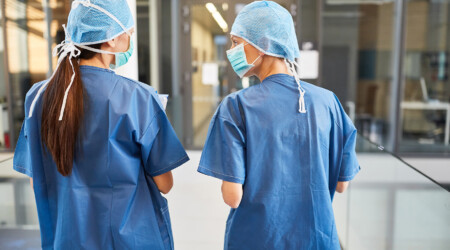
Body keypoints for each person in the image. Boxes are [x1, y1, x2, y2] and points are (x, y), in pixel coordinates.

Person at [12, 0, 189, 249]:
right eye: (129, 33)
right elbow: (165, 184)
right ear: (111, 39)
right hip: (128, 241)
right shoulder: (138, 97)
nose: (130, 40)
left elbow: (36, 180)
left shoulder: (38, 97)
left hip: (66, 240)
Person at [197, 1, 360, 249]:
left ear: (263, 44)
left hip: (258, 239)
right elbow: (341, 184)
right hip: (317, 239)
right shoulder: (328, 102)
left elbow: (232, 197)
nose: (231, 51)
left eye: (236, 42)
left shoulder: (236, 106)